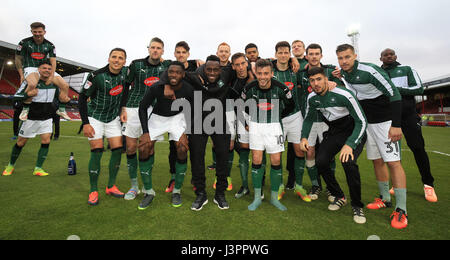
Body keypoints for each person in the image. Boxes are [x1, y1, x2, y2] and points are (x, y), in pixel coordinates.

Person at [334, 44, 408, 229]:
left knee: (393, 162)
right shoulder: (344, 73)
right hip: (367, 123)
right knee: (377, 161)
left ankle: (401, 209)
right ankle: (385, 198)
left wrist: (396, 124)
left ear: (355, 56)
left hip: (385, 122)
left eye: (347, 57)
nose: (344, 61)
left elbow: (394, 93)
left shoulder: (370, 70)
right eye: (340, 58)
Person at [300, 66, 368, 224]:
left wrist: (350, 144)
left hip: (353, 130)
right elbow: (309, 118)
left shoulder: (344, 94)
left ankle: (357, 206)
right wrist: (304, 137)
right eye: (312, 80)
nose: (316, 83)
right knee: (321, 161)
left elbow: (362, 121)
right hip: (335, 131)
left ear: (325, 79)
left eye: (318, 79)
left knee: (348, 162)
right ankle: (339, 195)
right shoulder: (312, 98)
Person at [380, 48, 437, 203]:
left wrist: (395, 90)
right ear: (381, 58)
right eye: (386, 55)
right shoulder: (379, 73)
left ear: (396, 56)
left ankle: (428, 185)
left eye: (391, 54)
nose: (389, 56)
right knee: (393, 154)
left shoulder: (406, 69)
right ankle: (396, 184)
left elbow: (419, 88)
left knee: (418, 148)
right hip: (389, 117)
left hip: (408, 116)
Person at [138, 61, 193, 209]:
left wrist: (187, 132)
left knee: (182, 148)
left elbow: (194, 110)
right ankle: (148, 191)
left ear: (183, 74)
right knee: (144, 147)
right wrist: (145, 132)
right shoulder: (157, 87)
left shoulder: (188, 89)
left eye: (177, 72)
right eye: (171, 72)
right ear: (167, 73)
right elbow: (143, 107)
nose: (173, 75)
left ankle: (177, 191)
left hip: (177, 118)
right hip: (158, 117)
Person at [122, 37, 172, 200]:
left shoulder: (167, 66)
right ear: (148, 49)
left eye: (159, 48)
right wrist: (122, 107)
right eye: (153, 47)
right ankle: (134, 186)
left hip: (154, 110)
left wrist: (198, 61)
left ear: (163, 51)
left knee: (148, 146)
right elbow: (125, 86)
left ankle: (147, 185)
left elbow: (184, 64)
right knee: (130, 148)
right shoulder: (136, 64)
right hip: (133, 108)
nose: (155, 50)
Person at [242, 59, 295, 211]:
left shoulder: (281, 88)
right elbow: (244, 105)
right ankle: (257, 198)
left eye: (266, 73)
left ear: (272, 73)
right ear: (255, 73)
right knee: (257, 159)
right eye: (259, 73)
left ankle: (273, 198)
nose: (263, 77)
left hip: (274, 127)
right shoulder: (249, 88)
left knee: (276, 160)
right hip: (256, 127)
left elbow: (290, 105)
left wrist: (276, 115)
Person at [79, 48, 128, 206]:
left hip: (113, 118)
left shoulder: (125, 74)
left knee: (117, 150)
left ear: (124, 62)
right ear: (108, 58)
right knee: (97, 150)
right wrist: (85, 123)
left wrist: (122, 109)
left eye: (120, 58)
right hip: (95, 117)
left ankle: (111, 186)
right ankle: (93, 190)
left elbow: (126, 91)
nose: (117, 60)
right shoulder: (96, 76)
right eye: (114, 57)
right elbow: (82, 98)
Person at [296, 43, 343, 201]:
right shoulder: (300, 73)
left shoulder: (330, 71)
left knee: (328, 154)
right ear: (306, 56)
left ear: (321, 55)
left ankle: (331, 186)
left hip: (327, 121)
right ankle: (316, 185)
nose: (314, 56)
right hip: (308, 119)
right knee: (309, 152)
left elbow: (343, 88)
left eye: (317, 54)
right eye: (311, 54)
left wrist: (338, 81)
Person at [3, 62, 61, 177]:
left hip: (46, 118)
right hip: (30, 118)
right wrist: (28, 94)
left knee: (46, 141)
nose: (47, 70)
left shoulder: (54, 84)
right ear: (38, 70)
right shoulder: (30, 82)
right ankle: (10, 165)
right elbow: (16, 97)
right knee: (20, 143)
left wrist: (55, 106)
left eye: (50, 69)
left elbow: (57, 98)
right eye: (44, 68)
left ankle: (38, 168)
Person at [271, 41, 310, 202]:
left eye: (286, 52)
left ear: (290, 54)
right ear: (275, 55)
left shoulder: (296, 72)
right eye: (280, 52)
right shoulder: (270, 72)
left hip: (295, 116)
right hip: (276, 118)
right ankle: (279, 186)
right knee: (277, 156)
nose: (283, 55)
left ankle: (298, 186)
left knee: (300, 151)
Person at [15, 22, 71, 121]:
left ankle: (61, 109)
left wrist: (51, 76)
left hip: (44, 67)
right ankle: (25, 109)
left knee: (65, 85)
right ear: (31, 31)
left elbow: (53, 62)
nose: (37, 34)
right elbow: (18, 59)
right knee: (32, 84)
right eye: (34, 32)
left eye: (40, 32)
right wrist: (21, 74)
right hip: (30, 67)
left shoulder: (50, 45)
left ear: (44, 32)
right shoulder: (24, 43)